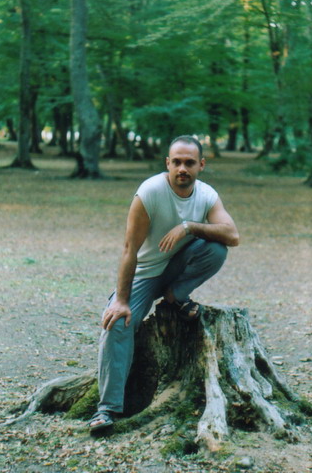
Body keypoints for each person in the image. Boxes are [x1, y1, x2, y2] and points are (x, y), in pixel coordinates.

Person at [89, 135, 239, 430]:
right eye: (177, 162)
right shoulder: (150, 192)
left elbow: (232, 235)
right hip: (144, 274)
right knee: (117, 323)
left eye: (189, 163)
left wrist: (188, 227)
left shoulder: (207, 195)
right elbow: (129, 249)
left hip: (175, 268)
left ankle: (175, 294)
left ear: (201, 165)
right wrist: (121, 300)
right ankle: (107, 409)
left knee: (216, 248)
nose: (183, 168)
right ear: (167, 163)